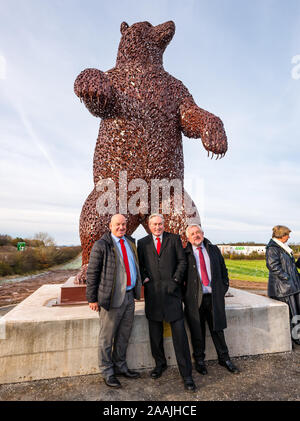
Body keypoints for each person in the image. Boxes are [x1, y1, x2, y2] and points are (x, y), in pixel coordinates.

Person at [137, 214, 196, 391]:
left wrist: (176, 280)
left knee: (180, 337)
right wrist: (145, 278)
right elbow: (140, 265)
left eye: (160, 224)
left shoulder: (174, 239)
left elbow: (182, 262)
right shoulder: (142, 243)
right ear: (149, 225)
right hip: (153, 295)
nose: (157, 227)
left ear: (164, 225)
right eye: (154, 224)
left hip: (172, 295)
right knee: (155, 336)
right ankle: (159, 365)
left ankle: (187, 375)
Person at [86, 214, 142, 388]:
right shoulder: (102, 245)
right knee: (106, 338)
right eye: (117, 224)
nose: (121, 227)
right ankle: (107, 371)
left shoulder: (131, 242)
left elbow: (135, 266)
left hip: (129, 296)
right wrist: (92, 298)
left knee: (124, 335)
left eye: (124, 224)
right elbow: (92, 273)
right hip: (111, 299)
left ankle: (120, 366)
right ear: (110, 226)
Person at [183, 224, 240, 375]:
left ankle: (224, 358)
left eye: (198, 232)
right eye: (192, 234)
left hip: (214, 298)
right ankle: (199, 360)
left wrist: (223, 288)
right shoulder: (185, 253)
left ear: (203, 233)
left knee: (218, 330)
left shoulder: (213, 249)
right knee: (197, 332)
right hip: (195, 300)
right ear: (188, 238)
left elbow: (223, 270)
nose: (196, 235)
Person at [266, 225, 300, 347]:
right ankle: (294, 338)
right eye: (287, 234)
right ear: (281, 235)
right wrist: (288, 278)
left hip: (292, 285)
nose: (289, 237)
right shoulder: (272, 248)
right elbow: (273, 266)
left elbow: (291, 266)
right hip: (283, 287)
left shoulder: (284, 248)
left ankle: (297, 336)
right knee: (291, 313)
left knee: (297, 313)